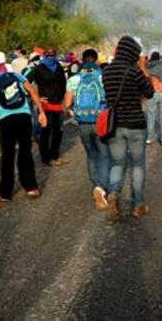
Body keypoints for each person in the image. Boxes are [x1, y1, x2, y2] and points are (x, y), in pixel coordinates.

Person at [103, 35, 155, 221]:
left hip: (114, 125)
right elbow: (149, 93)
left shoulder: (107, 71)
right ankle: (138, 205)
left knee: (117, 163)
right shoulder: (135, 71)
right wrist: (142, 69)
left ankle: (114, 193)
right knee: (138, 166)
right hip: (135, 125)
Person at [0, 68, 47, 201]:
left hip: (6, 121)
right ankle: (31, 187)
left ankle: (5, 192)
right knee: (25, 152)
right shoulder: (17, 75)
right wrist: (41, 112)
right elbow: (32, 92)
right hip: (24, 117)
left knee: (7, 155)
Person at [64, 48, 111, 211]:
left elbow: (67, 103)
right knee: (104, 154)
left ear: (83, 60)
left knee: (91, 154)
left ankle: (96, 185)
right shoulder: (103, 76)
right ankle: (101, 187)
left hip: (83, 121)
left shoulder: (74, 79)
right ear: (97, 60)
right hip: (100, 120)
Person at [26, 48, 67, 167]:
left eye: (52, 55)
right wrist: (36, 97)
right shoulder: (38, 68)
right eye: (48, 55)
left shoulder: (58, 67)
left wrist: (64, 100)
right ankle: (46, 158)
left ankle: (54, 156)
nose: (50, 57)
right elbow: (25, 82)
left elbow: (63, 84)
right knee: (45, 131)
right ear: (44, 56)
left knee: (58, 132)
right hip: (45, 105)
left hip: (58, 104)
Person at [146, 51, 162, 146]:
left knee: (151, 116)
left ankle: (149, 138)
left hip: (152, 93)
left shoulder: (149, 67)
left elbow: (146, 76)